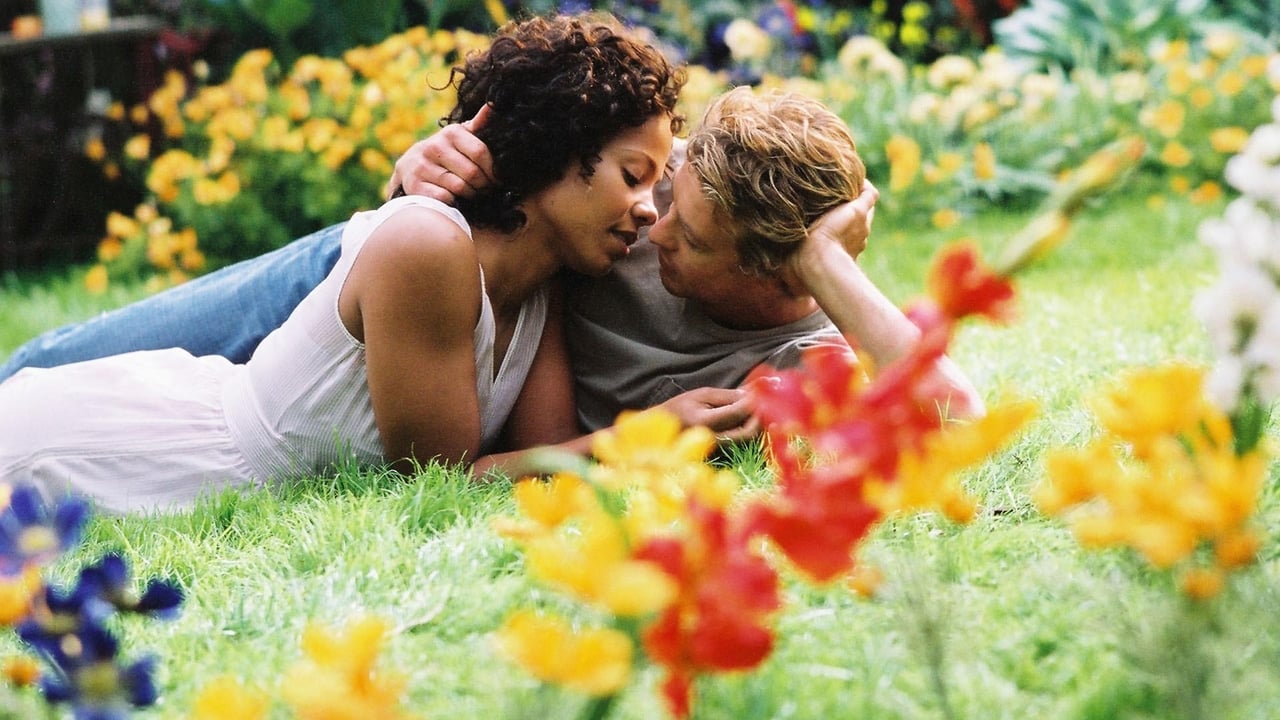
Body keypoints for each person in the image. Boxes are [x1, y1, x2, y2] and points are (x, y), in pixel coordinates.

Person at [2, 86, 982, 477]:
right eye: (660, 190)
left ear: (774, 266)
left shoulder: (800, 349)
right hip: (366, 285)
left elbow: (956, 420)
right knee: (46, 368)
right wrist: (426, 170)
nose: (650, 224)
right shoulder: (656, 194)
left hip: (459, 375)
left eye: (688, 237)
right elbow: (538, 159)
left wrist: (826, 263)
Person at [0, 13, 685, 513]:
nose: (647, 211)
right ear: (558, 147)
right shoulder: (428, 247)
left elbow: (549, 457)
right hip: (127, 454)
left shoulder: (543, 284)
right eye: (633, 176)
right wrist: (648, 437)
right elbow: (439, 484)